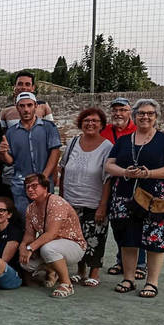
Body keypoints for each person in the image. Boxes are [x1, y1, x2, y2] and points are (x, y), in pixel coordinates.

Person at [105, 99, 164, 298]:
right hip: (125, 197)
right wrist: (125, 172)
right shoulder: (123, 141)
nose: (145, 117)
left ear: (156, 117)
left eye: (150, 113)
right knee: (128, 238)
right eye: (141, 113)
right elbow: (109, 165)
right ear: (135, 115)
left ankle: (151, 282)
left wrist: (149, 174)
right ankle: (128, 278)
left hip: (155, 199)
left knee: (154, 239)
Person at [59, 107, 112, 287]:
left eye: (95, 121)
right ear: (81, 123)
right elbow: (64, 170)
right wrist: (62, 199)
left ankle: (94, 272)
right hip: (71, 201)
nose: (90, 124)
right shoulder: (73, 143)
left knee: (96, 237)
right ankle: (80, 271)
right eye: (87, 120)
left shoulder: (107, 147)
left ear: (102, 125)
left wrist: (103, 205)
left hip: (94, 201)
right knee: (76, 237)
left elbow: (107, 179)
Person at [19, 174, 86, 298]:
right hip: (50, 245)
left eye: (34, 186)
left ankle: (66, 284)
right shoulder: (31, 208)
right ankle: (52, 270)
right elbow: (29, 235)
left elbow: (52, 233)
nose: (30, 190)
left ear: (45, 187)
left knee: (48, 249)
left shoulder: (56, 202)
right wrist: (23, 247)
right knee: (25, 262)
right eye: (27, 187)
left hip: (73, 245)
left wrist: (30, 248)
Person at [101, 97, 145, 279]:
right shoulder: (104, 131)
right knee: (118, 225)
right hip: (112, 184)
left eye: (123, 110)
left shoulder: (138, 131)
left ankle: (140, 265)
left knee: (138, 225)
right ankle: (121, 261)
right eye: (115, 110)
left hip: (135, 186)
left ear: (130, 113)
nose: (118, 113)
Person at [0, 92, 61, 215]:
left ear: (35, 106)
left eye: (29, 105)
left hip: (44, 183)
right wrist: (3, 153)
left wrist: (43, 176)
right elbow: (10, 161)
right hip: (21, 185)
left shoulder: (48, 127)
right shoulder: (11, 132)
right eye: (22, 106)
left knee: (46, 220)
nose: (26, 109)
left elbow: (55, 152)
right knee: (24, 221)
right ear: (17, 107)